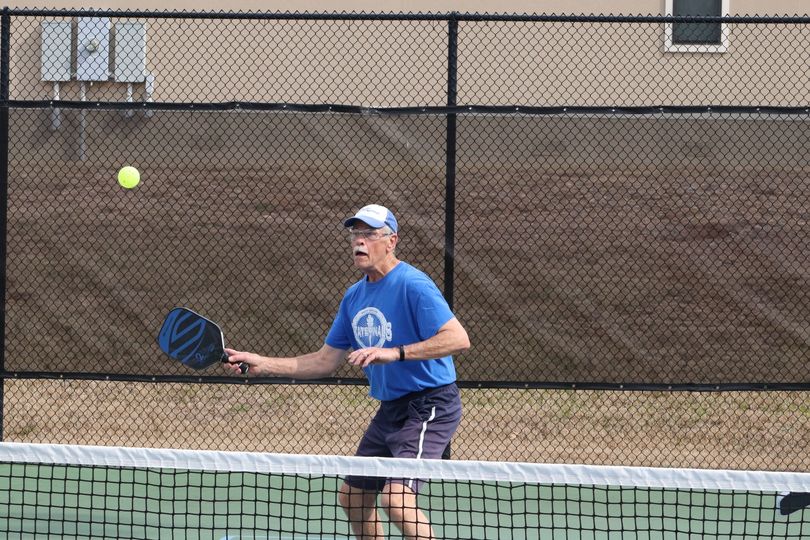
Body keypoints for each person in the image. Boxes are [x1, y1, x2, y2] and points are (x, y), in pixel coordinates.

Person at [224, 204, 470, 540]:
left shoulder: (414, 284)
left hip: (431, 405)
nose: (359, 241)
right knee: (353, 498)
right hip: (391, 408)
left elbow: (458, 339)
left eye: (369, 233)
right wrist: (262, 362)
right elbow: (325, 360)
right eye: (355, 233)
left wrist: (394, 353)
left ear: (391, 240)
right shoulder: (354, 297)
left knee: (396, 501)